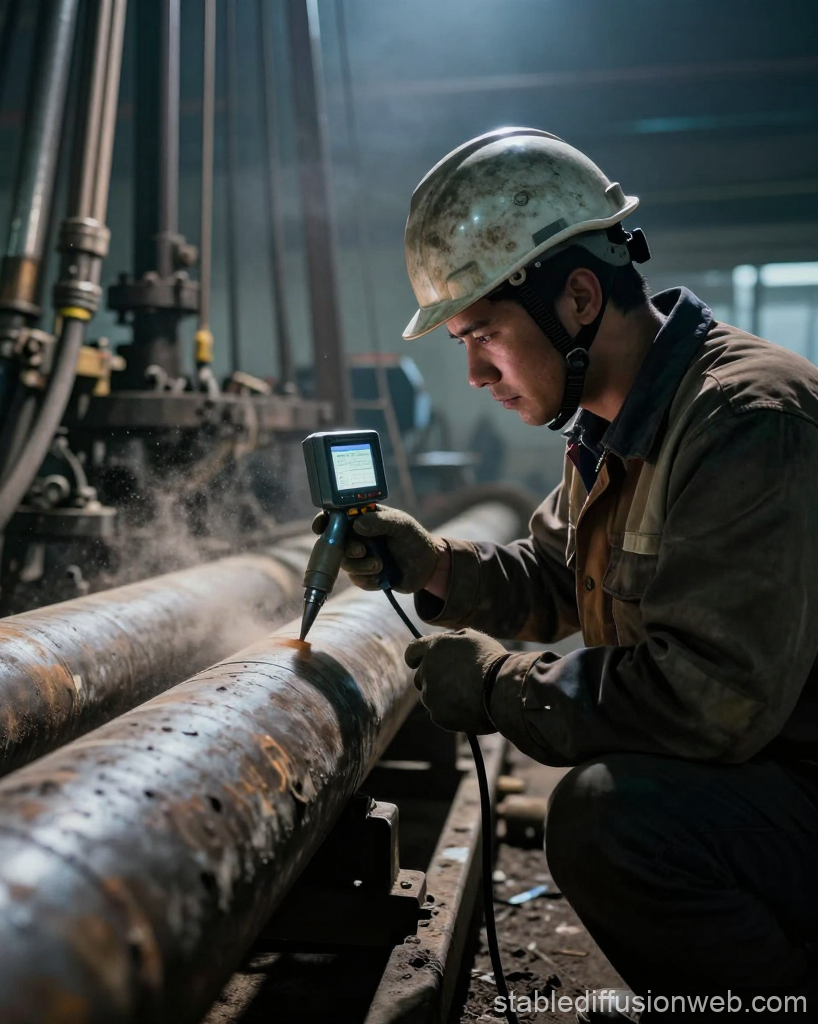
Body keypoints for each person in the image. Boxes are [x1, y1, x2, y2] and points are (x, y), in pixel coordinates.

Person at [326, 128, 818, 1020]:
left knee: (611, 820)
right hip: (771, 779)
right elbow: (558, 575)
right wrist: (434, 565)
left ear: (580, 297)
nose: (473, 373)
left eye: (483, 335)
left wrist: (499, 689)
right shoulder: (610, 423)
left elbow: (711, 697)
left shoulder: (747, 418)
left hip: (801, 779)